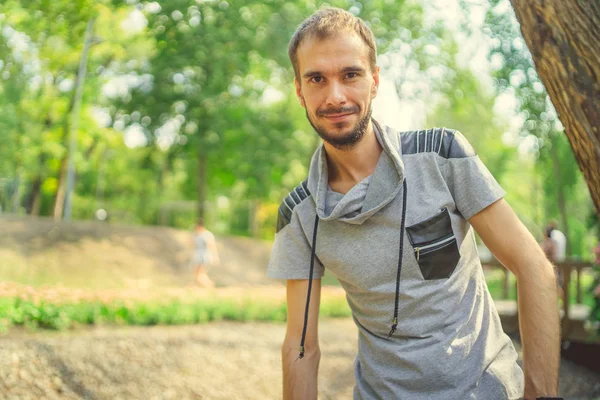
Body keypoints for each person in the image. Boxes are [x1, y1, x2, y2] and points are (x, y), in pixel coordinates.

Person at [267, 8, 561, 400]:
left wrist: (541, 394)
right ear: (300, 91)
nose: (335, 95)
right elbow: (301, 347)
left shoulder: (442, 156)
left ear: (374, 81)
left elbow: (533, 266)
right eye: (316, 79)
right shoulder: (299, 216)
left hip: (485, 389)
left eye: (350, 74)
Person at [192, 219, 219, 288]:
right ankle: (202, 286)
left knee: (200, 273)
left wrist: (215, 256)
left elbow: (211, 245)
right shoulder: (197, 235)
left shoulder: (207, 234)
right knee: (197, 273)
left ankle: (210, 285)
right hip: (199, 255)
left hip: (204, 256)